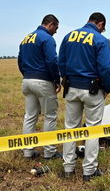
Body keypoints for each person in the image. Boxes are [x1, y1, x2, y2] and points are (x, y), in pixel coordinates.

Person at [58, 12, 110, 181]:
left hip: (71, 88)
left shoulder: (69, 36)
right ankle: (89, 171)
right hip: (93, 89)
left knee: (70, 128)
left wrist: (65, 79)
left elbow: (61, 62)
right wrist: (107, 87)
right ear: (100, 23)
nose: (103, 31)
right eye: (103, 27)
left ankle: (68, 168)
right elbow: (104, 67)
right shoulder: (100, 40)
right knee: (93, 129)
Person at [18, 14, 62, 159]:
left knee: (30, 116)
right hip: (43, 82)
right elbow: (51, 60)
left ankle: (27, 151)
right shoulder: (47, 38)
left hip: (27, 80)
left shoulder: (26, 38)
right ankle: (49, 152)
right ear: (51, 24)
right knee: (50, 116)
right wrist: (56, 80)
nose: (56, 31)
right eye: (56, 28)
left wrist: (27, 74)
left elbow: (20, 60)